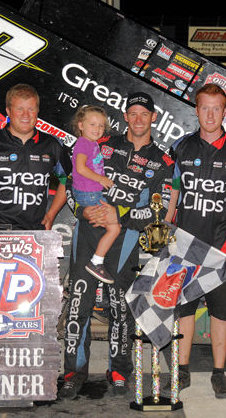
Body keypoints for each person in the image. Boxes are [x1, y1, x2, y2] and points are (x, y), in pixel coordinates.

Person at [59, 92, 174, 399]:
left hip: (123, 238)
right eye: (132, 113)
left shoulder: (162, 161)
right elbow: (71, 183)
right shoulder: (101, 143)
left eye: (144, 114)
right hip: (87, 232)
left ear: (153, 118)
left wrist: (119, 214)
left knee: (120, 307)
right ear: (125, 117)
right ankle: (73, 370)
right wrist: (82, 209)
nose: (138, 119)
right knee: (78, 303)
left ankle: (120, 368)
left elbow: (157, 211)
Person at [165, 83, 226, 399]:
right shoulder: (181, 147)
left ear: (225, 111)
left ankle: (219, 373)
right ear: (196, 109)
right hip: (186, 246)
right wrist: (166, 227)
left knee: (221, 313)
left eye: (217, 108)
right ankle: (182, 369)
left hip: (223, 247)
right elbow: (174, 190)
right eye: (205, 107)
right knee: (184, 311)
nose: (210, 114)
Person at [0, 83, 70, 231]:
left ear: (37, 111)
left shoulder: (53, 144)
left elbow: (69, 180)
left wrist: (50, 215)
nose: (26, 115)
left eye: (31, 109)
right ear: (8, 111)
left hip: (35, 232)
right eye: (19, 109)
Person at [70, 105, 120, 285]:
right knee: (114, 228)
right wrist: (101, 179)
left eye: (101, 125)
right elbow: (81, 168)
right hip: (89, 194)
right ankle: (96, 262)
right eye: (92, 124)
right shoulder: (84, 143)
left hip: (91, 192)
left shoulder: (91, 144)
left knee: (106, 226)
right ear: (81, 125)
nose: (97, 129)